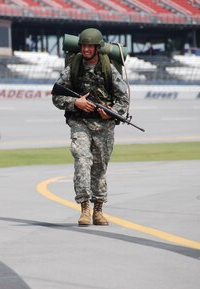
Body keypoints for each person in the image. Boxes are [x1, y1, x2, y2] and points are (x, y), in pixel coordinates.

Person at [52, 28, 129, 226]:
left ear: (97, 48)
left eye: (90, 46)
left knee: (100, 168)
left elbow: (123, 99)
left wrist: (112, 111)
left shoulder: (108, 69)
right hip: (80, 123)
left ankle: (99, 210)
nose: (86, 49)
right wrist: (75, 103)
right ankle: (84, 208)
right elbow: (56, 96)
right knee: (82, 160)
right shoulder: (73, 67)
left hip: (104, 125)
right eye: (83, 46)